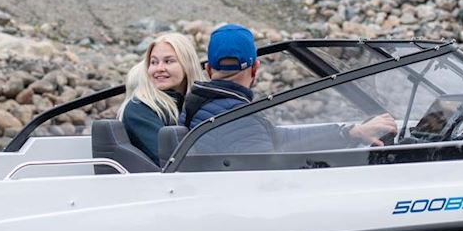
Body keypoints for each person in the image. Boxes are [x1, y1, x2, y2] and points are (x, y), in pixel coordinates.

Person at [180, 23, 396, 155]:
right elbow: (269, 175)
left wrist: (349, 132)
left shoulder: (196, 105)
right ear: (256, 68)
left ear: (208, 69)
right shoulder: (238, 118)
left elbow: (277, 138)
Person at [119, 32, 204, 164]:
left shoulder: (203, 103)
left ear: (187, 64)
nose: (159, 68)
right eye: (153, 62)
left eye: (168, 61)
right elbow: (174, 159)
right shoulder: (139, 110)